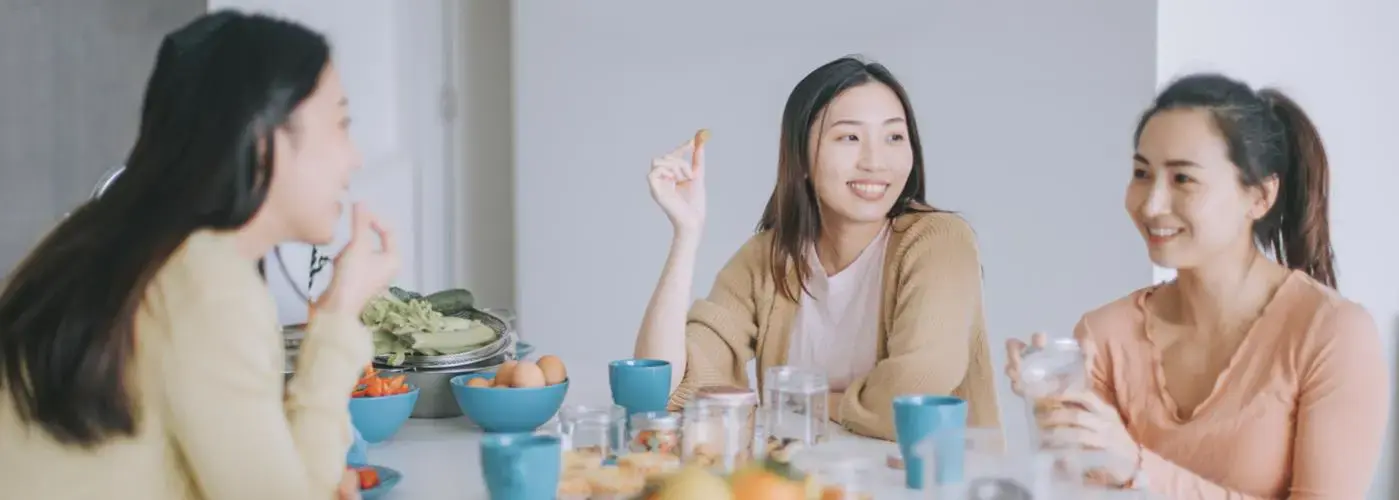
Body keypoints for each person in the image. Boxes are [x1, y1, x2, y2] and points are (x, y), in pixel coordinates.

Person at [0, 11, 398, 500]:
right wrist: (338, 315)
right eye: (340, 124)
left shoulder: (87, 243)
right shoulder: (207, 283)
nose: (354, 158)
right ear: (266, 141)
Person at [1004, 74, 1390, 498]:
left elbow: (1128, 472)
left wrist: (1136, 467)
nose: (1151, 204)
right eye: (1141, 173)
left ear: (1259, 196)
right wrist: (1056, 415)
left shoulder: (1332, 333)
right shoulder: (1104, 335)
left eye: (1183, 179)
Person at [633, 56, 1000, 440]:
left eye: (894, 137)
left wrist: (810, 401)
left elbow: (915, 395)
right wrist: (686, 234)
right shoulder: (769, 258)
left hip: (922, 474)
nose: (876, 162)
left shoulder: (939, 241)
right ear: (802, 158)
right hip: (798, 474)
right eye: (849, 138)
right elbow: (658, 388)